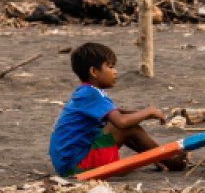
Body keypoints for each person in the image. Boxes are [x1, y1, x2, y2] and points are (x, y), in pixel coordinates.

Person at [48, 42, 187, 177]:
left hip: (67, 163)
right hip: (77, 166)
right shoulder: (91, 94)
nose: (115, 72)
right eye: (110, 67)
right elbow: (121, 122)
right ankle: (168, 159)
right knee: (130, 128)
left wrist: (144, 115)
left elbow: (116, 113)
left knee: (123, 125)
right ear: (94, 71)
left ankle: (156, 156)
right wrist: (148, 111)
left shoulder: (85, 91)